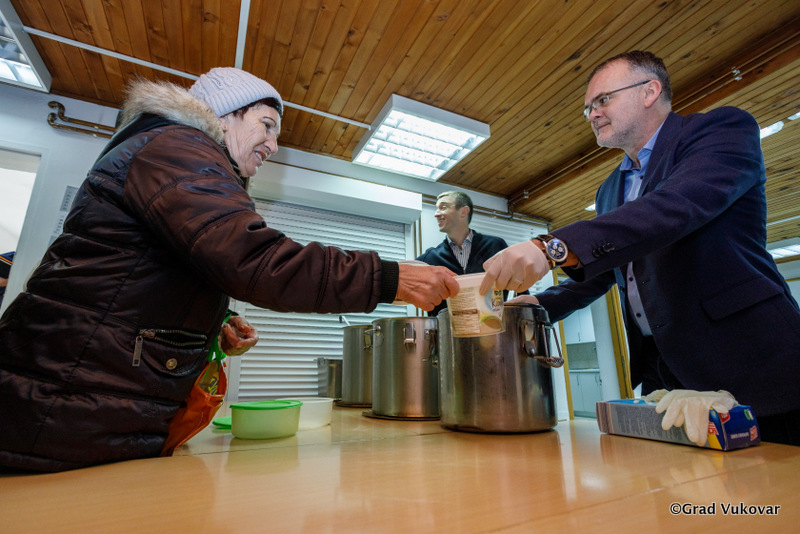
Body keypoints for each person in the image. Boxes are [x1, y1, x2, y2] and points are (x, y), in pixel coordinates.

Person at [0, 67, 458, 472]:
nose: (273, 145)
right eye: (266, 125)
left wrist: (211, 322)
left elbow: (133, 280)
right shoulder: (178, 149)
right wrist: (392, 278)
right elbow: (256, 260)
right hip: (62, 406)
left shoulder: (172, 154)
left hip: (79, 403)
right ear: (222, 115)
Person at [480, 51, 800, 445]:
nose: (593, 114)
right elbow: (608, 271)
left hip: (748, 358)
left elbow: (674, 207)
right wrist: (537, 305)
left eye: (602, 100)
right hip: (663, 369)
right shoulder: (609, 189)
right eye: (588, 108)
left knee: (776, 474)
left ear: (650, 91)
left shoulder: (721, 129)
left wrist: (554, 246)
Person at [416, 191, 524, 315]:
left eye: (443, 207)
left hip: (492, 324)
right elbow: (402, 279)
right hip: (447, 327)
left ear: (463, 211)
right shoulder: (429, 258)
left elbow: (521, 290)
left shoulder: (496, 246)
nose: (436, 214)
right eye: (437, 209)